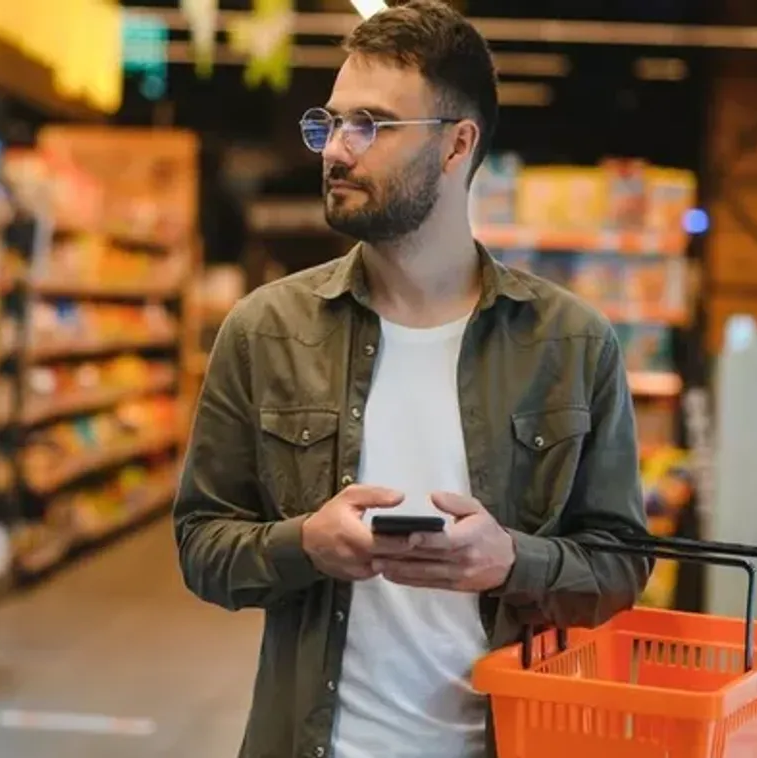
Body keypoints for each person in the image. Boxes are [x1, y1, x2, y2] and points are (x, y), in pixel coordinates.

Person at [171, 2, 651, 757]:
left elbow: (621, 565)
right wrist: (305, 546)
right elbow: (201, 547)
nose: (334, 150)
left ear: (457, 144)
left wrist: (509, 561)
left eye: (370, 125)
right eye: (327, 123)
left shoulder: (569, 342)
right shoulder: (263, 332)